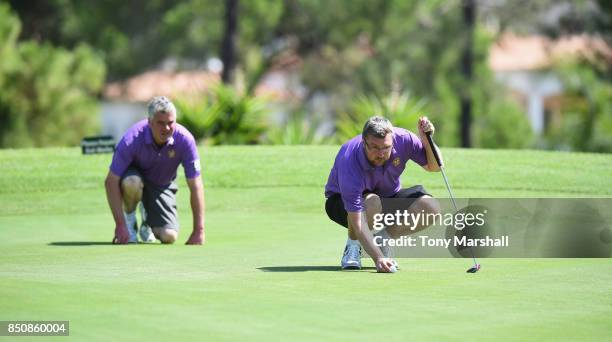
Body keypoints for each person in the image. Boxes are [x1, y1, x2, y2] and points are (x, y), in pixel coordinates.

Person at [325, 116, 442, 272]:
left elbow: (434, 167)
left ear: (392, 141)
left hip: (386, 197)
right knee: (372, 202)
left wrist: (427, 139)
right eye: (374, 147)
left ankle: (383, 240)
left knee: (430, 207)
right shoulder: (349, 159)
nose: (380, 154)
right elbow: (358, 222)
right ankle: (352, 246)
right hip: (340, 204)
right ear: (363, 142)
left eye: (385, 148)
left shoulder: (404, 139)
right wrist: (378, 259)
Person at [104, 96, 205, 245]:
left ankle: (147, 221)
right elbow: (111, 182)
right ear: (150, 122)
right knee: (133, 182)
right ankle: (130, 221)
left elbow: (195, 184)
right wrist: (120, 225)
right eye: (160, 123)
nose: (166, 128)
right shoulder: (131, 139)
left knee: (169, 236)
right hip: (134, 181)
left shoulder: (185, 140)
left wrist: (199, 231)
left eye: (170, 123)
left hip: (161, 185)